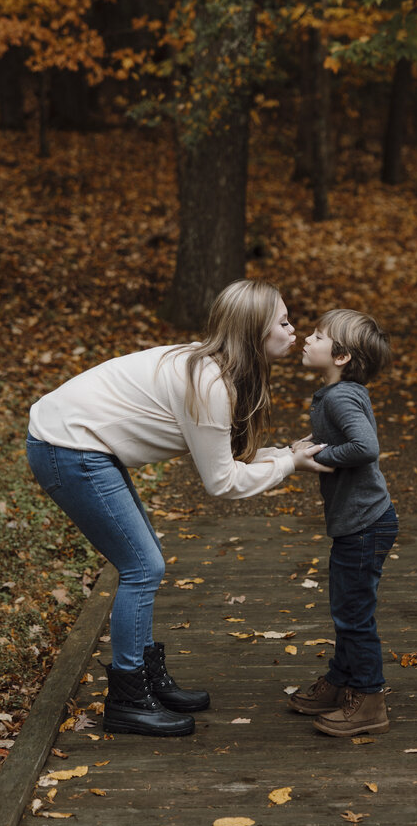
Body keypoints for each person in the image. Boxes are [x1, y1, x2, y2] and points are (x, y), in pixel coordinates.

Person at [26, 278, 331, 738]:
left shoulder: (215, 367)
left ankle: (144, 678)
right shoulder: (209, 383)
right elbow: (222, 482)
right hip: (67, 447)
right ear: (253, 332)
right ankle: (128, 699)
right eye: (284, 322)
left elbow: (228, 459)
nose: (294, 330)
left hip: (82, 443)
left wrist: (284, 454)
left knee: (145, 561)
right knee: (141, 567)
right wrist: (288, 463)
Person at [287, 308, 398, 737]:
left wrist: (318, 461)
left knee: (354, 614)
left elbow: (364, 447)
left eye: (317, 336)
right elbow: (346, 437)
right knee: (347, 609)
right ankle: (341, 681)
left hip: (365, 523)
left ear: (341, 357)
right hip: (363, 522)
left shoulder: (339, 396)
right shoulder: (342, 393)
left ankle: (369, 699)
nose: (306, 340)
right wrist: (305, 448)